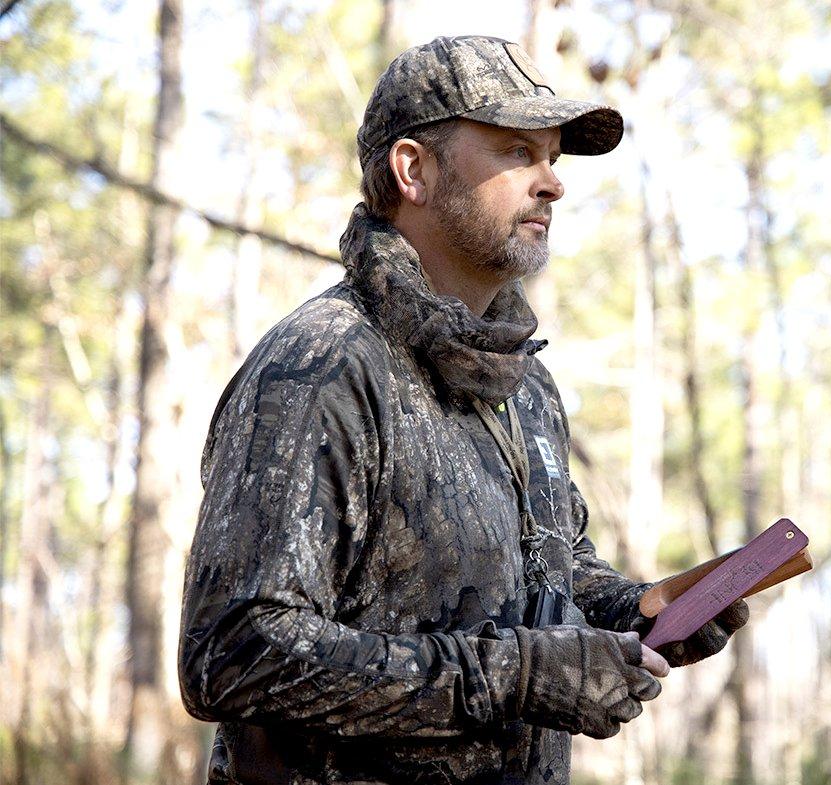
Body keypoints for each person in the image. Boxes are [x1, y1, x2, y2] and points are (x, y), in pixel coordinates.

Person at [178, 35, 748, 785]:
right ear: (413, 170)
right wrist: (512, 676)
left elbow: (552, 571)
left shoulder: (524, 385)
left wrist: (638, 611)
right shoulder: (321, 367)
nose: (552, 184)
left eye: (553, 158)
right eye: (517, 152)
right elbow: (233, 651)